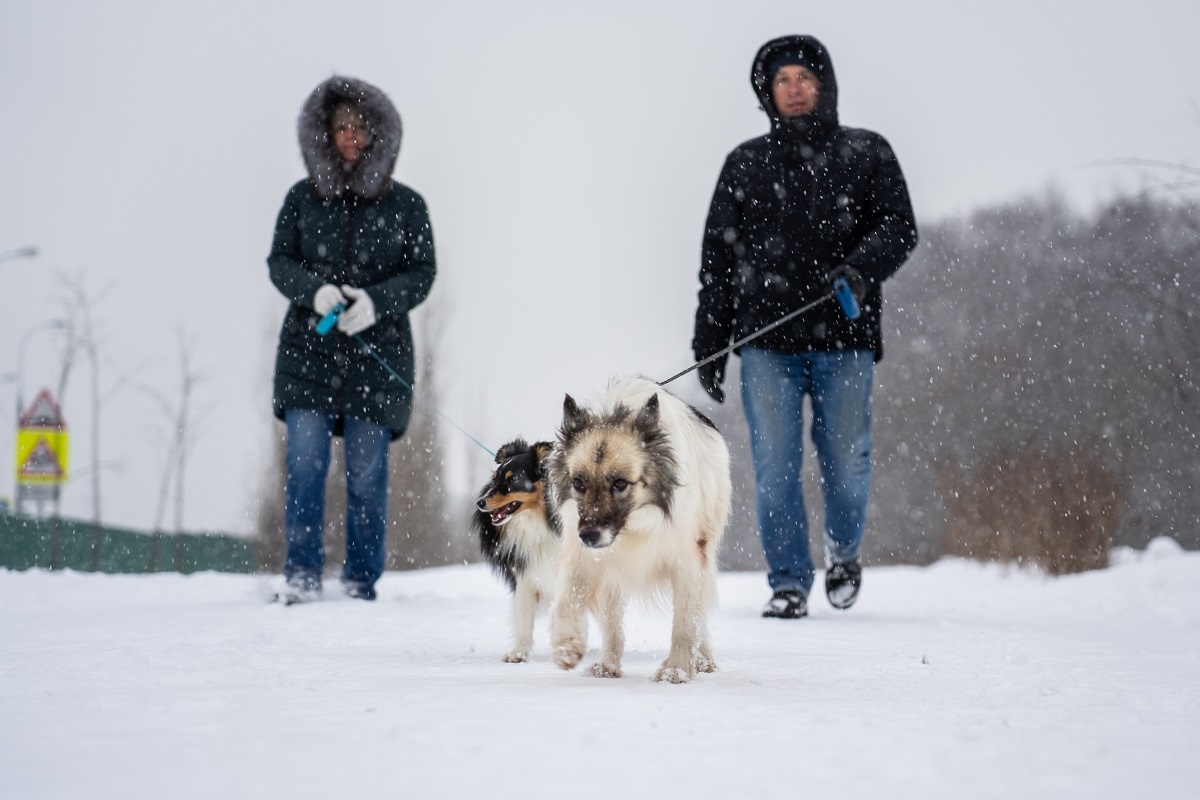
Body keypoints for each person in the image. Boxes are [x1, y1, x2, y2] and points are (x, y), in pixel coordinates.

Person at [692, 35, 917, 619]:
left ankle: (843, 551)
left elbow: (899, 227)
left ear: (825, 86)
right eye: (782, 80)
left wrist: (861, 268)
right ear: (767, 92)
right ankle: (788, 581)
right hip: (767, 346)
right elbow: (718, 261)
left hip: (845, 339)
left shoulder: (867, 153)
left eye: (804, 78)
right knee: (774, 468)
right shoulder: (744, 163)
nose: (793, 89)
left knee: (847, 461)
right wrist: (710, 344)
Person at [268, 75, 436, 603]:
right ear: (323, 133)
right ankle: (301, 572)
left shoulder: (408, 206)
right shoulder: (300, 199)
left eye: (360, 127)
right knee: (305, 470)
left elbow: (423, 272)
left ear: (377, 135)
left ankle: (361, 579)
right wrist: (313, 292)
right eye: (340, 126)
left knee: (367, 476)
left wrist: (377, 302)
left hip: (377, 360)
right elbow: (279, 262)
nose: (350, 136)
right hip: (306, 358)